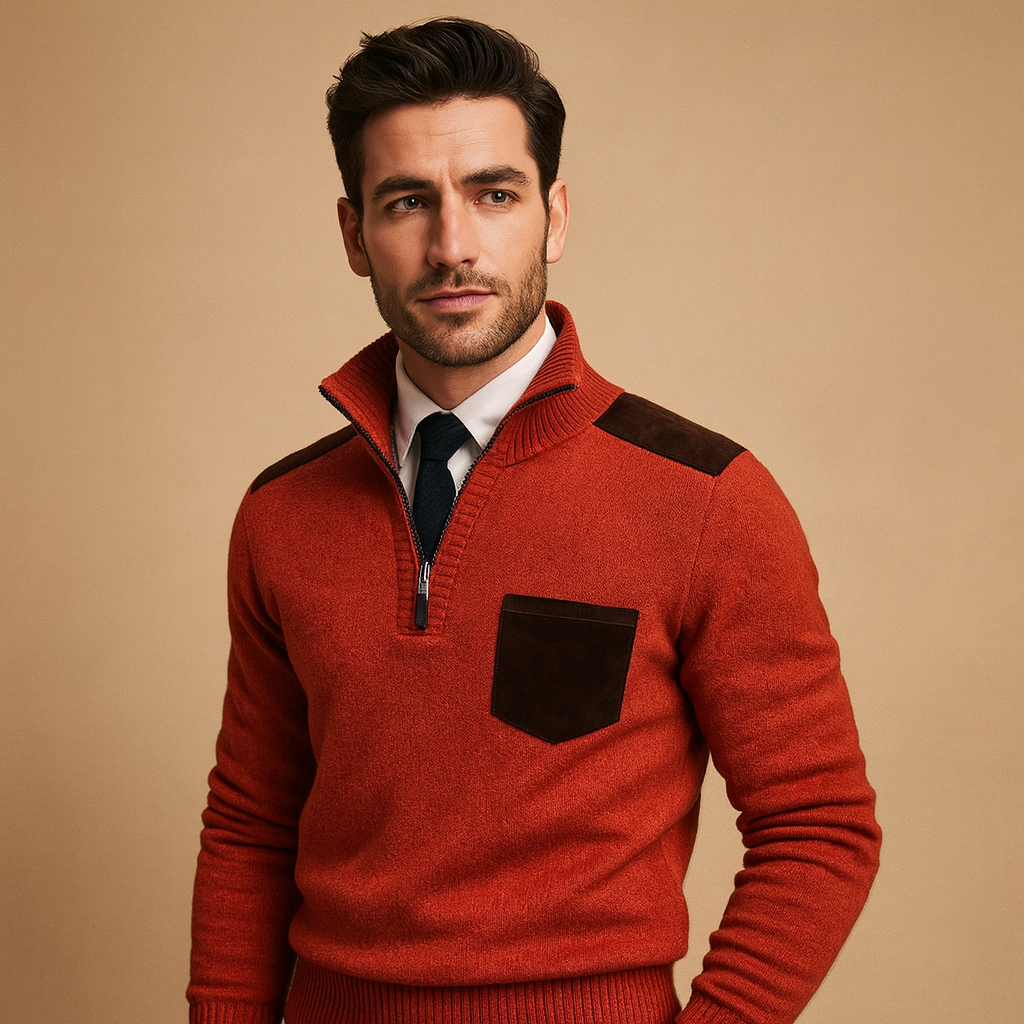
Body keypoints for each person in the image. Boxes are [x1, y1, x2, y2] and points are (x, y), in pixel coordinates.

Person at [188, 17, 880, 1024]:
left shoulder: (706, 499)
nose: (452, 246)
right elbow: (251, 829)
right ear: (353, 235)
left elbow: (820, 826)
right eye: (407, 201)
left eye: (494, 193)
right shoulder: (282, 513)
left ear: (553, 217)